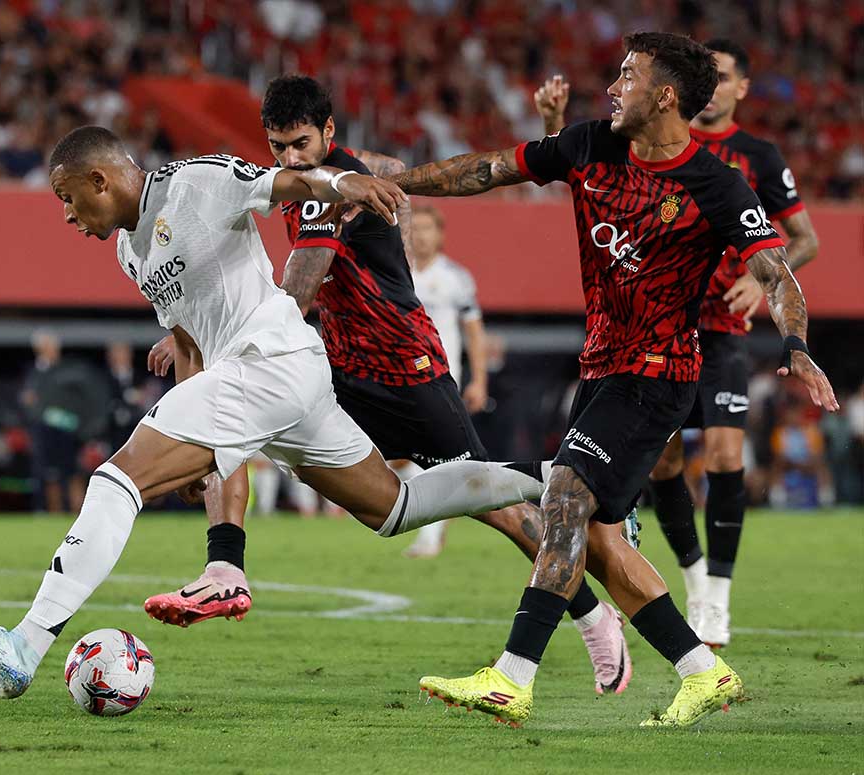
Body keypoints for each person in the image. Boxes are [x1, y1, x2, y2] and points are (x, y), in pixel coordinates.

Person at [0, 125, 601, 701]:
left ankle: (25, 642)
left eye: (66, 197)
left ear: (100, 179)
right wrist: (204, 447)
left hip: (271, 358)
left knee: (117, 479)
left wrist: (344, 186)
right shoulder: (128, 249)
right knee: (392, 507)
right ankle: (553, 475)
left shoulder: (192, 183)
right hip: (267, 382)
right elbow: (192, 341)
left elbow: (284, 183)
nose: (65, 214)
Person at [391, 32, 837, 727]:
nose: (613, 87)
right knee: (595, 536)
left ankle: (510, 678)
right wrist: (393, 182)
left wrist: (796, 346)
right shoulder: (589, 144)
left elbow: (773, 272)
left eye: (627, 76)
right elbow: (485, 170)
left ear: (663, 95)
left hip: (656, 374)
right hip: (600, 371)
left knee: (563, 495)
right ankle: (702, 671)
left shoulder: (715, 184)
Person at [142, 76, 635, 697]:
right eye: (278, 147)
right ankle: (224, 567)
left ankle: (594, 616)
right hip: (341, 372)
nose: (291, 160)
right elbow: (389, 167)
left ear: (328, 133)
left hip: (408, 372)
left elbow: (300, 284)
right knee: (230, 422)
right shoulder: (320, 178)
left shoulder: (326, 194)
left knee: (500, 509)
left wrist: (223, 341)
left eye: (301, 144)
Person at [535, 39, 822, 650]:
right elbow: (580, 182)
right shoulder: (633, 144)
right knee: (660, 467)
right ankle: (688, 585)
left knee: (721, 456)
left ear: (741, 88)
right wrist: (556, 132)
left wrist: (768, 297)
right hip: (636, 339)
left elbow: (798, 244)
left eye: (726, 77)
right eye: (708, 76)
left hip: (716, 337)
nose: (715, 86)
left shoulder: (752, 161)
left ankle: (714, 596)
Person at [401, 203, 489, 558]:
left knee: (436, 454)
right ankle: (431, 528)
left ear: (439, 235)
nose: (420, 236)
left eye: (427, 229)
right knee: (406, 455)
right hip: (399, 377)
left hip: (441, 378)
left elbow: (474, 331)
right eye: (414, 229)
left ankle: (430, 534)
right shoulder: (397, 273)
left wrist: (479, 380)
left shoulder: (456, 277)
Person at [20, 329, 112, 513]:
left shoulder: (70, 371)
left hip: (72, 434)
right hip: (47, 435)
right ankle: (54, 515)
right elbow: (29, 402)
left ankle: (79, 517)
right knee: (50, 477)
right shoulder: (34, 373)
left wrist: (85, 427)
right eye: (50, 346)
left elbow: (86, 400)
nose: (54, 350)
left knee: (75, 476)